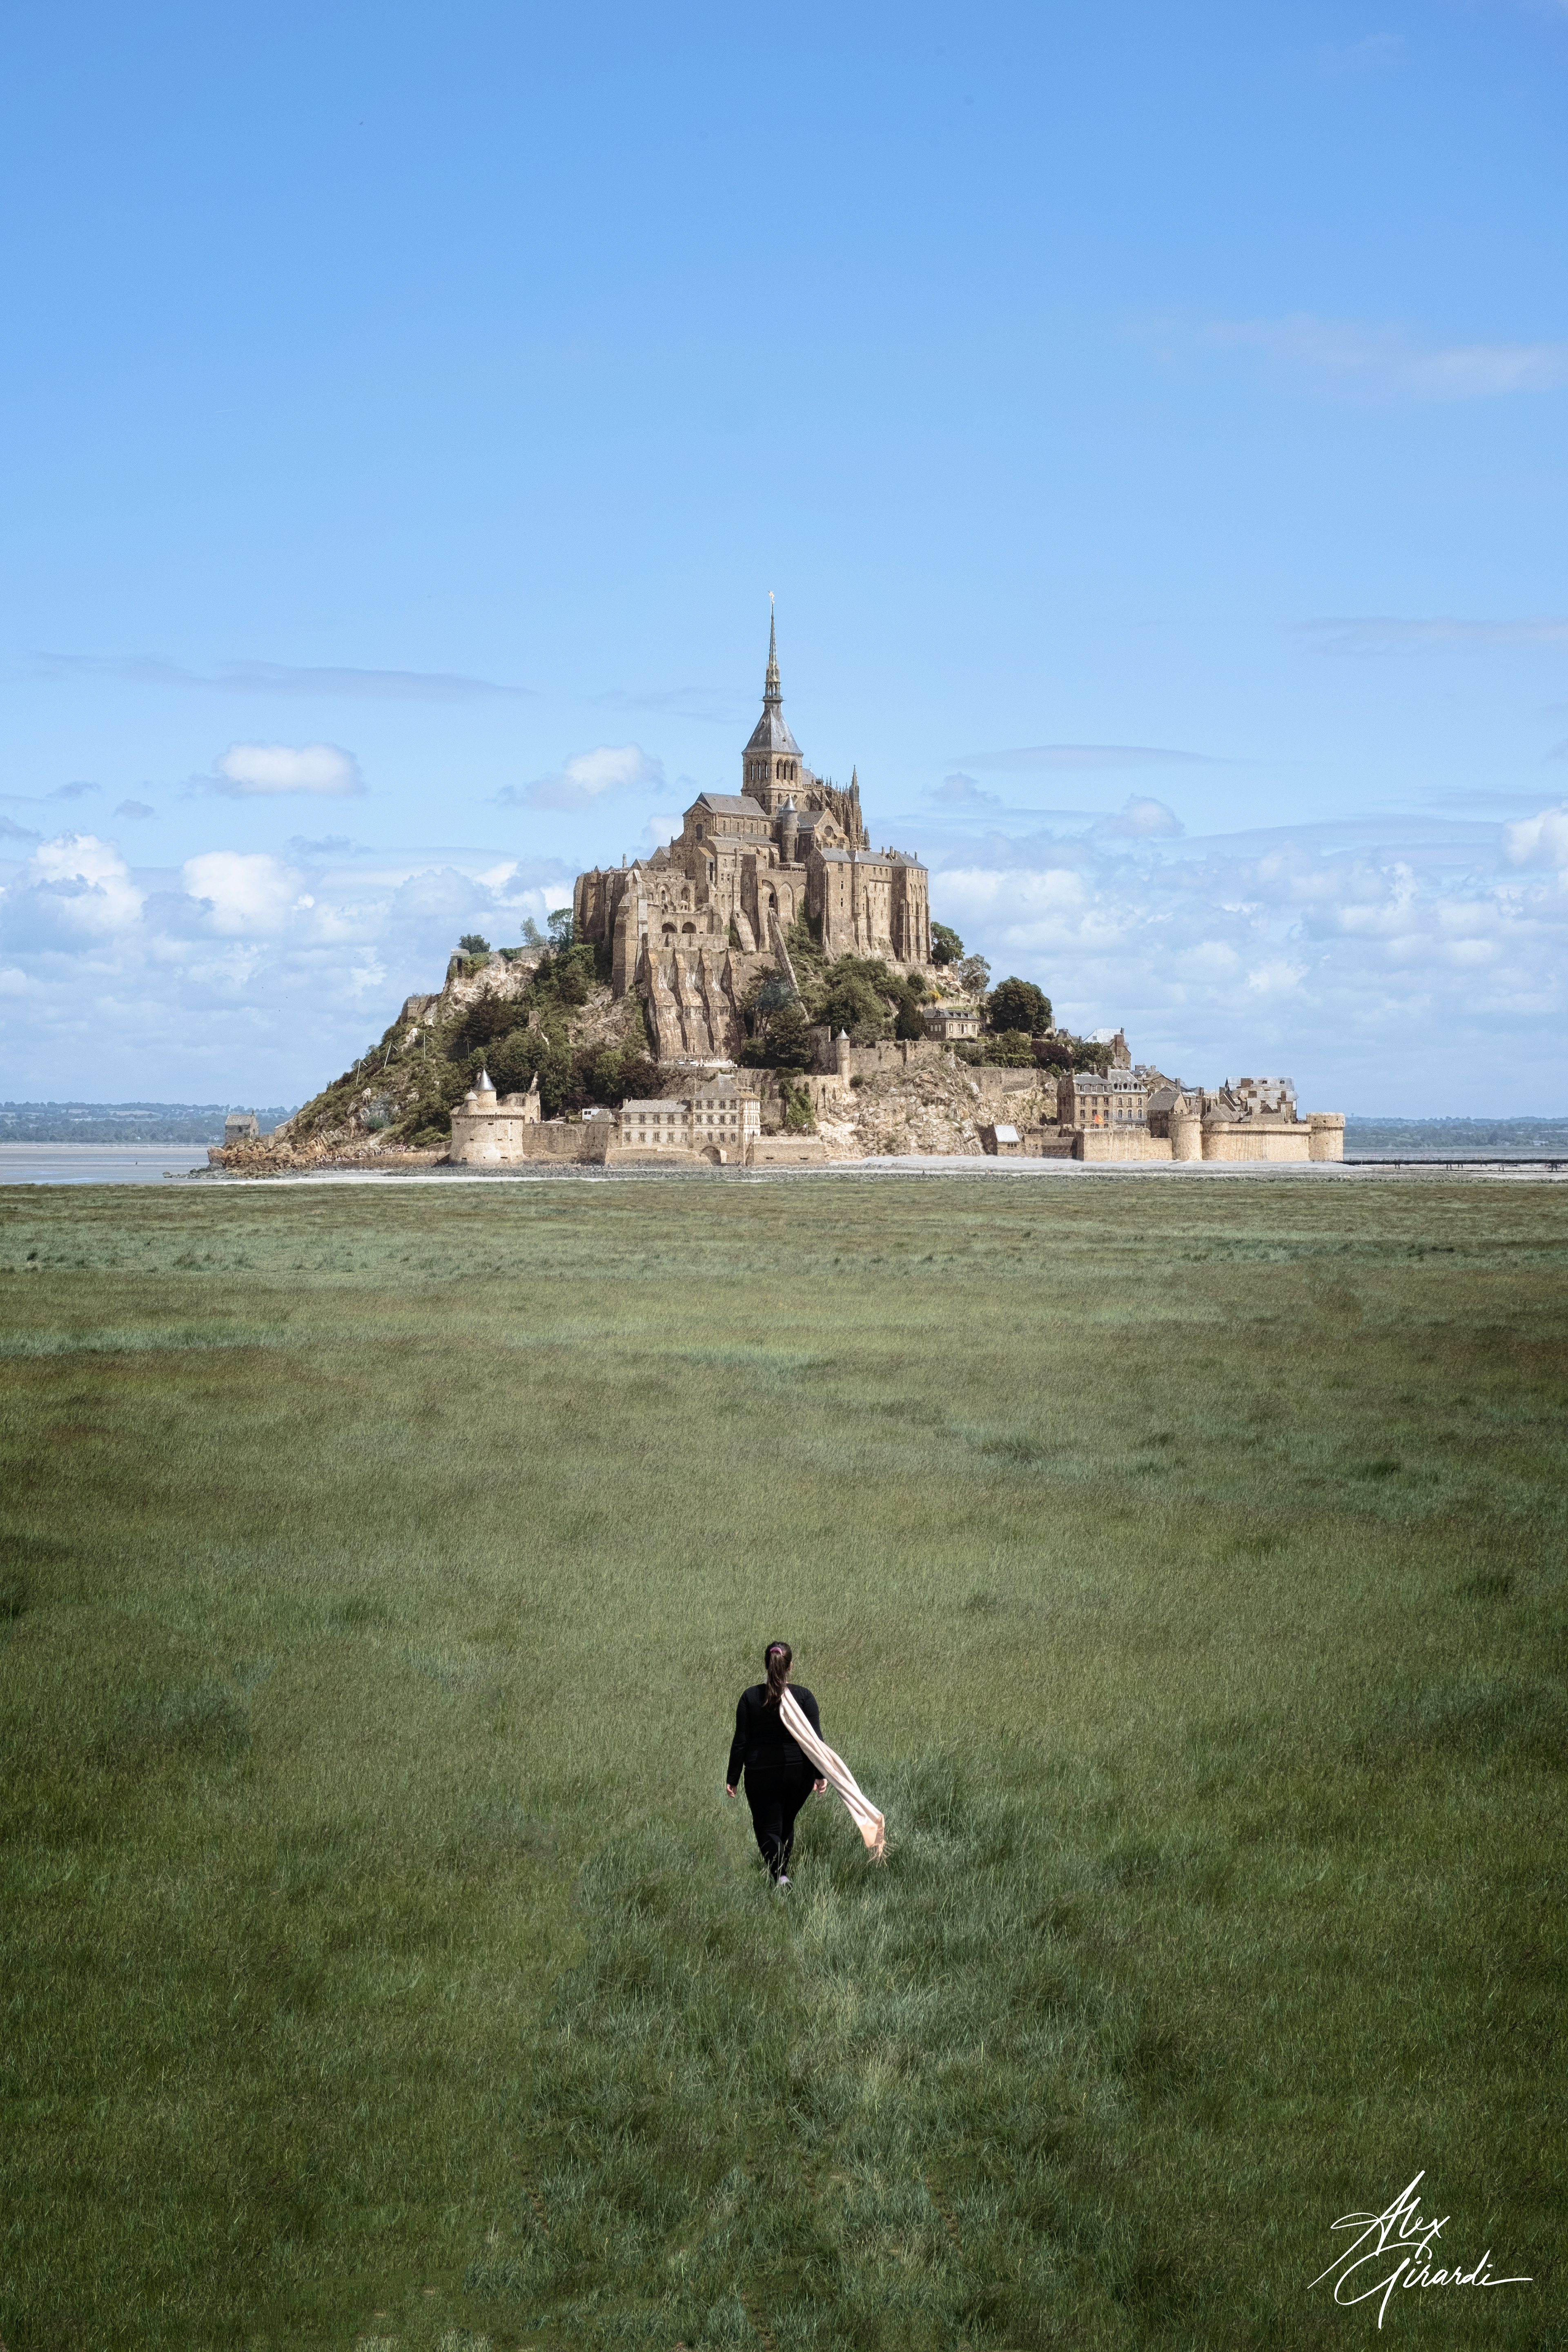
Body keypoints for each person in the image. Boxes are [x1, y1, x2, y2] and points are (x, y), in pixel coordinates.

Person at [725, 1640, 827, 1888]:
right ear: (790, 1666)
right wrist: (820, 1774)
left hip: (761, 1774)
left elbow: (741, 1742)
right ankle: (781, 1876)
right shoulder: (804, 1697)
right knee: (785, 1822)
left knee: (766, 1828)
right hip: (799, 1775)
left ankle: (781, 1876)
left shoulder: (750, 1697)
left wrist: (733, 1777)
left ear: (766, 1664)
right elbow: (816, 1741)